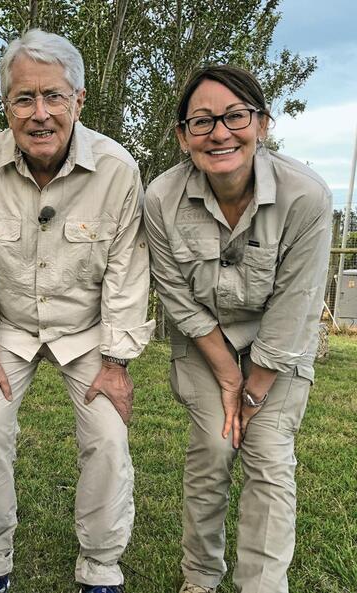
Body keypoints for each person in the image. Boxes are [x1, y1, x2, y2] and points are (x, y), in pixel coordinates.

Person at [0, 29, 154, 593]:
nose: (40, 114)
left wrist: (116, 362)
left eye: (54, 97)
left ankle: (101, 567)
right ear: (6, 104)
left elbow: (126, 271)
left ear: (79, 100)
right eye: (24, 98)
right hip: (9, 331)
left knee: (109, 439)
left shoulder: (117, 169)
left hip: (87, 331)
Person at [144, 65, 332, 593]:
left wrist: (252, 392)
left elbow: (297, 308)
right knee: (213, 448)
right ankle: (200, 578)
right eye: (202, 121)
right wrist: (228, 377)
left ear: (263, 124)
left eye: (235, 116)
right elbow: (175, 295)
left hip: (280, 349)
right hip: (205, 344)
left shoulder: (307, 197)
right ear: (183, 137)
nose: (221, 133)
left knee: (269, 460)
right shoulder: (160, 198)